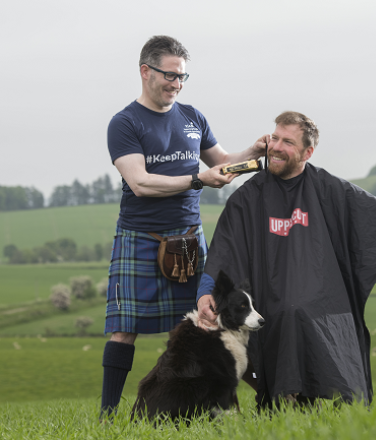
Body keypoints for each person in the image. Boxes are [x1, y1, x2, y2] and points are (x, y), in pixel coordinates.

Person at [196, 111, 376, 408]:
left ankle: (324, 398)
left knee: (298, 308)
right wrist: (205, 291)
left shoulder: (329, 189)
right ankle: (288, 398)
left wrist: (352, 280)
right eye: (274, 138)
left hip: (324, 294)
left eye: (288, 141)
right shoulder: (249, 197)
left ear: (308, 152)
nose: (276, 147)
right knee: (288, 309)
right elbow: (224, 249)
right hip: (267, 295)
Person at [100, 35, 265, 417]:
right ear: (146, 71)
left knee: (211, 320)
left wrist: (252, 154)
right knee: (125, 328)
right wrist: (197, 180)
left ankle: (245, 399)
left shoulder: (192, 117)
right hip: (141, 237)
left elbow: (220, 160)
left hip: (191, 240)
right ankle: (108, 415)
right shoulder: (124, 123)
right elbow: (140, 182)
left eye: (183, 77)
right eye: (170, 76)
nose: (176, 84)